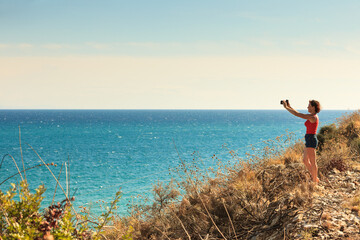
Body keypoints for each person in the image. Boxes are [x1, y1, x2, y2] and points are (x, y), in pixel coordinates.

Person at [282, 100, 321, 183]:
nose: (307, 107)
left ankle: (314, 181)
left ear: (314, 107)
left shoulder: (313, 117)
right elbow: (297, 113)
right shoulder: (311, 116)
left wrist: (286, 107)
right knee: (305, 160)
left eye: (309, 106)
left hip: (311, 139)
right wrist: (289, 106)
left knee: (313, 162)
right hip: (308, 139)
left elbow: (298, 114)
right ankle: (315, 177)